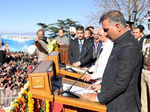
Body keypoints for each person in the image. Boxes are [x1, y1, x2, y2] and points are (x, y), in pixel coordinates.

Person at [82, 10, 142, 112]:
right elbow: (115, 72)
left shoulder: (129, 46)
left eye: (106, 30)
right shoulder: (121, 42)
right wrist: (103, 85)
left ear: (118, 26)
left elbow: (122, 82)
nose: (105, 34)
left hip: (123, 106)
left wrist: (98, 98)